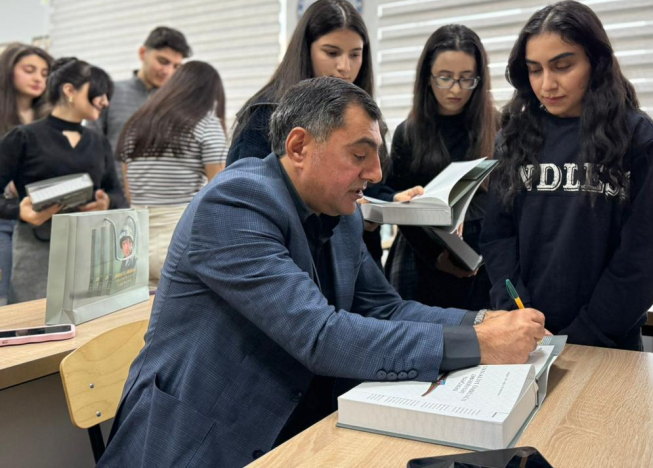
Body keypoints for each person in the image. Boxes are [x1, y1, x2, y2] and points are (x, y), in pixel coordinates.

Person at [99, 77, 547, 468]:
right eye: (359, 154)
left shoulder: (341, 212)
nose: (376, 173)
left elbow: (385, 309)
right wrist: (480, 343)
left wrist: (482, 321)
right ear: (299, 147)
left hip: (303, 431)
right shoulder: (234, 203)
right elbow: (320, 336)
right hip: (202, 441)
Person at [480, 0, 653, 351]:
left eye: (563, 66)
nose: (547, 84)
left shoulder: (638, 137)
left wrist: (584, 336)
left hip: (607, 342)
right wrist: (519, 315)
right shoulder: (514, 136)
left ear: (595, 62)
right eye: (535, 70)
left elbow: (640, 259)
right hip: (529, 337)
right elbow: (498, 238)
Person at [229, 0, 421, 264]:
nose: (345, 67)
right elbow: (246, 204)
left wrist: (390, 200)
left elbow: (372, 185)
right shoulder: (265, 115)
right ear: (305, 50)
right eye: (331, 53)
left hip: (356, 260)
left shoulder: (364, 115)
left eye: (355, 54)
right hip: (291, 260)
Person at [386, 25, 498, 310]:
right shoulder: (408, 133)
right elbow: (399, 204)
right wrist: (436, 259)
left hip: (483, 262)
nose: (456, 89)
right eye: (445, 78)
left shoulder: (499, 127)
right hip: (421, 259)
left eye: (466, 78)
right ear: (428, 77)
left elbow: (507, 202)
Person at [0, 57, 127, 303]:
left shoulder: (98, 142)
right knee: (34, 320)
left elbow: (117, 194)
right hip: (36, 250)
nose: (105, 101)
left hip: (89, 249)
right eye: (99, 92)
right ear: (69, 90)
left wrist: (106, 202)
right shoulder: (23, 137)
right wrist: (20, 211)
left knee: (88, 319)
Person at [116, 61, 228, 285]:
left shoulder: (136, 123)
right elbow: (218, 193)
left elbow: (130, 191)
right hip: (178, 237)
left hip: (131, 241)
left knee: (139, 308)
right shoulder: (206, 124)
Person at [0, 43, 53, 305]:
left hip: (39, 223)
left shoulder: (50, 117)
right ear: (8, 72)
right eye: (29, 70)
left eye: (44, 73)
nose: (38, 79)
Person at [91, 26, 192, 153]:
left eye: (176, 66)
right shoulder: (110, 93)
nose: (168, 71)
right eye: (163, 61)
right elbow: (90, 145)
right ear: (143, 53)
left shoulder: (178, 104)